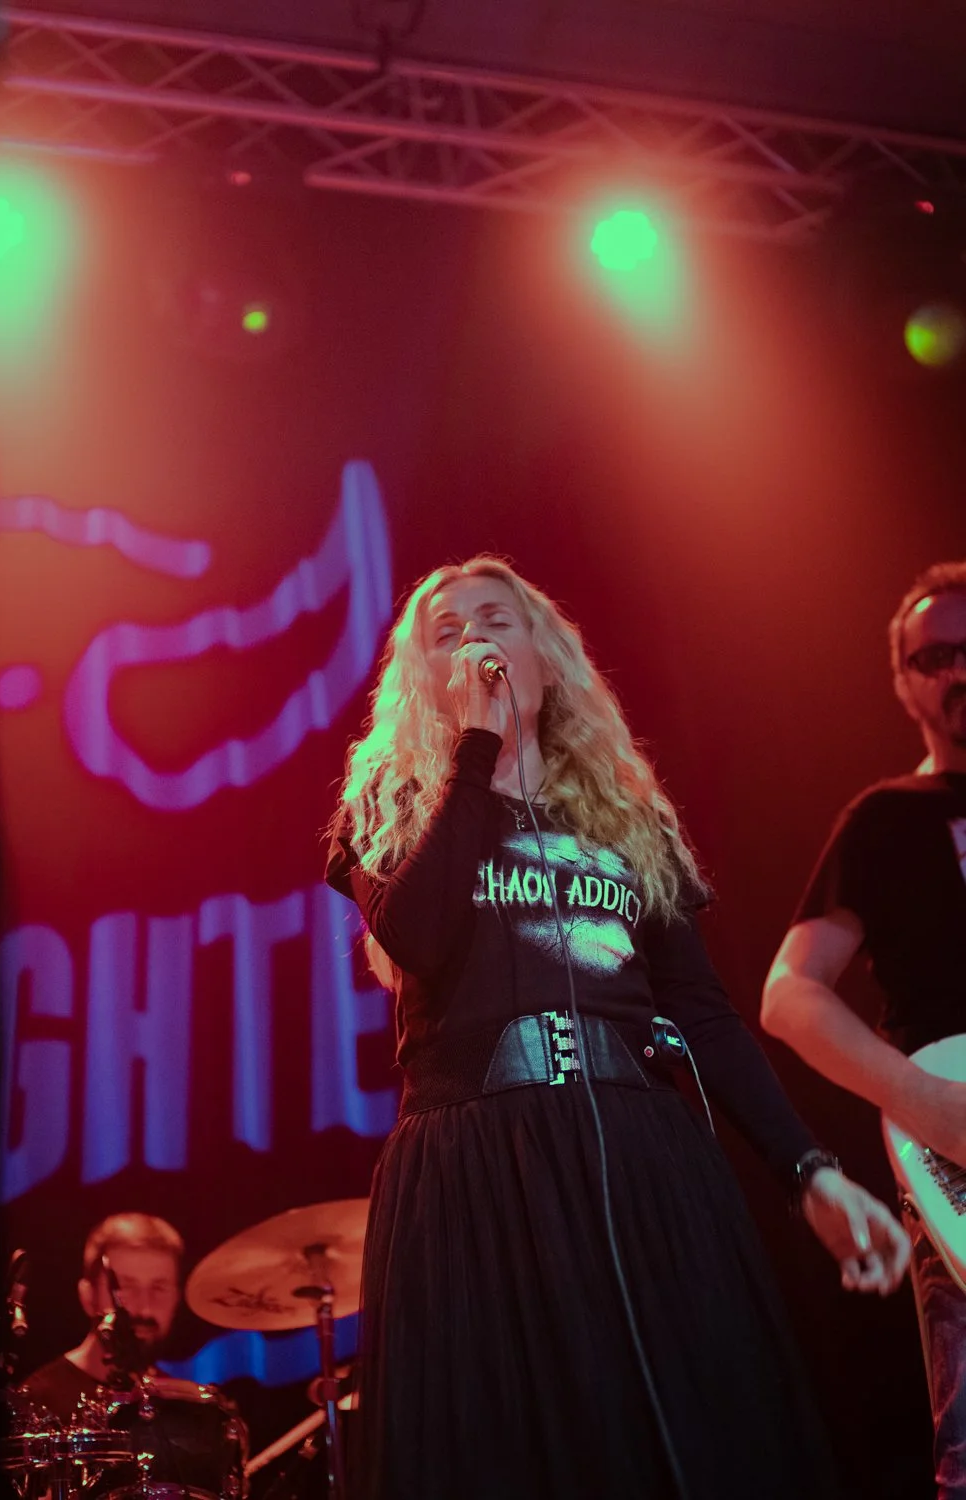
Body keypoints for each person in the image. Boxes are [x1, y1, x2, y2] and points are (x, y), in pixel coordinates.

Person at [326, 554, 911, 1500]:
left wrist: (809, 1170)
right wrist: (475, 753)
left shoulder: (627, 820)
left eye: (497, 620)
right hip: (481, 1162)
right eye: (447, 631)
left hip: (636, 1148)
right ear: (421, 678)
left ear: (545, 656)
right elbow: (418, 937)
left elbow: (705, 1013)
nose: (475, 640)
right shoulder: (388, 809)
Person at [763, 559, 966, 1499]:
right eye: (934, 657)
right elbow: (789, 993)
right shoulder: (884, 821)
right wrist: (924, 1100)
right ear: (902, 682)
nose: (958, 670)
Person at [20, 1212, 184, 1421]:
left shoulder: (182, 1406)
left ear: (177, 1298)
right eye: (125, 1288)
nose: (145, 1308)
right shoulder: (38, 1403)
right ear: (88, 1297)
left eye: (159, 1288)